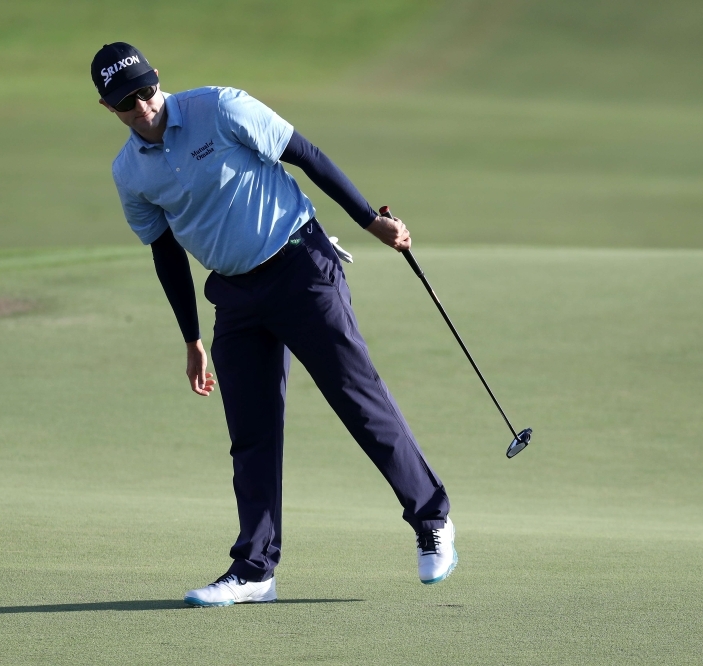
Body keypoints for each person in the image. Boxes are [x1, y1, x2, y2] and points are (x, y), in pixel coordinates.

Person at [91, 42, 455, 607]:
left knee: (357, 399)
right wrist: (191, 339)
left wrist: (369, 222)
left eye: (144, 91)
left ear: (157, 78)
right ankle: (255, 570)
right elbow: (164, 254)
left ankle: (432, 519)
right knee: (252, 432)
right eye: (125, 102)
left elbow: (304, 153)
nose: (142, 107)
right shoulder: (128, 173)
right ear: (106, 107)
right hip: (234, 297)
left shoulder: (221, 107)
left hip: (300, 267)